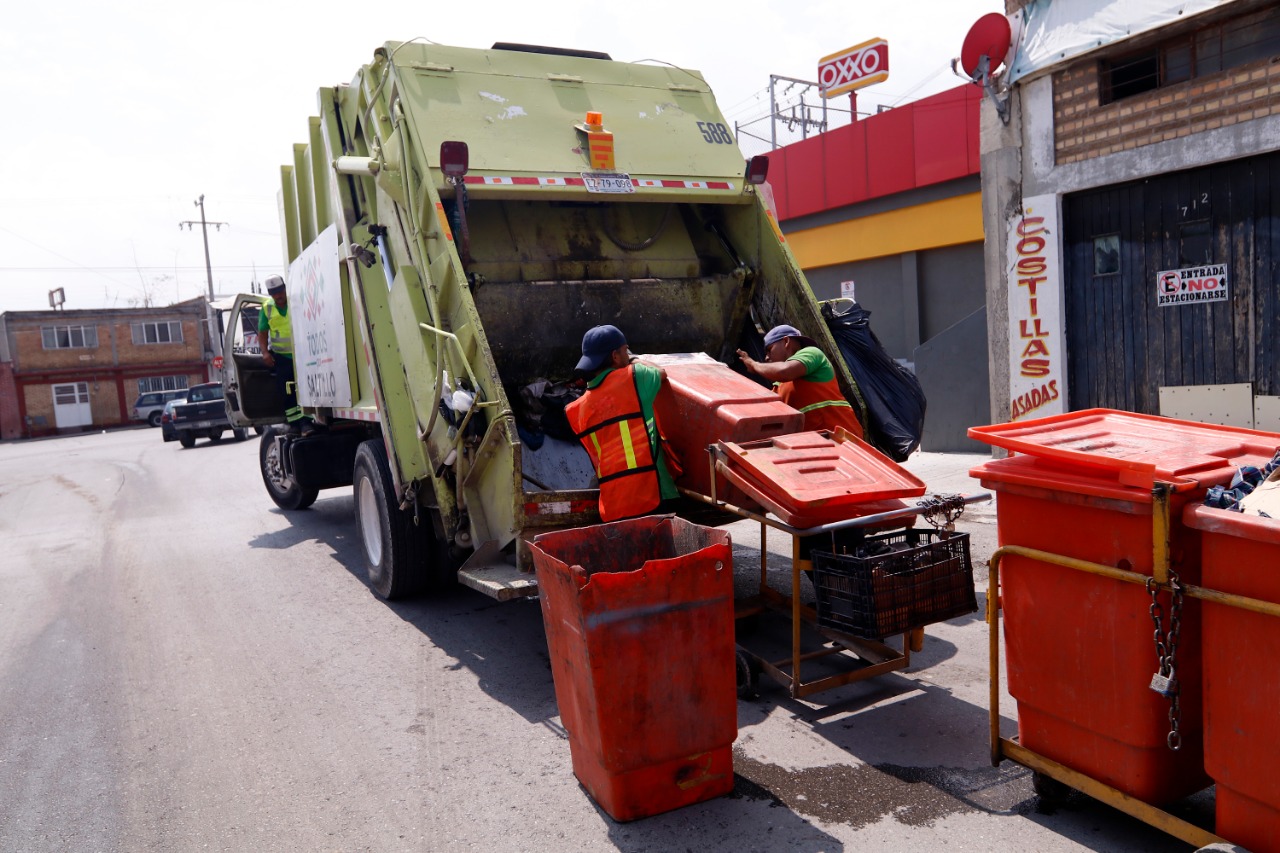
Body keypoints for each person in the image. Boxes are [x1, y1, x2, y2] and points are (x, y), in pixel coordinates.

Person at [565, 325, 682, 522]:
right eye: (625, 350)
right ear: (615, 356)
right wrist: (635, 358)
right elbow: (661, 373)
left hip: (613, 506)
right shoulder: (635, 378)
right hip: (653, 496)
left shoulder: (577, 409)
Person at [737, 324, 864, 439]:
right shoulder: (779, 386)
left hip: (843, 440)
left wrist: (754, 364)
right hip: (818, 446)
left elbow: (784, 371)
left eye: (769, 350)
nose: (766, 357)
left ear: (786, 341)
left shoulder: (811, 353)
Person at [256, 275, 312, 435]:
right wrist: (265, 353)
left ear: (285, 289)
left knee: (305, 387)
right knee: (287, 391)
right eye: (275, 294)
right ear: (270, 294)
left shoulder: (297, 301)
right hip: (282, 357)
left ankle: (307, 422)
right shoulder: (267, 308)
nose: (279, 296)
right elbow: (262, 333)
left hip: (302, 354)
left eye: (280, 291)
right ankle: (294, 424)